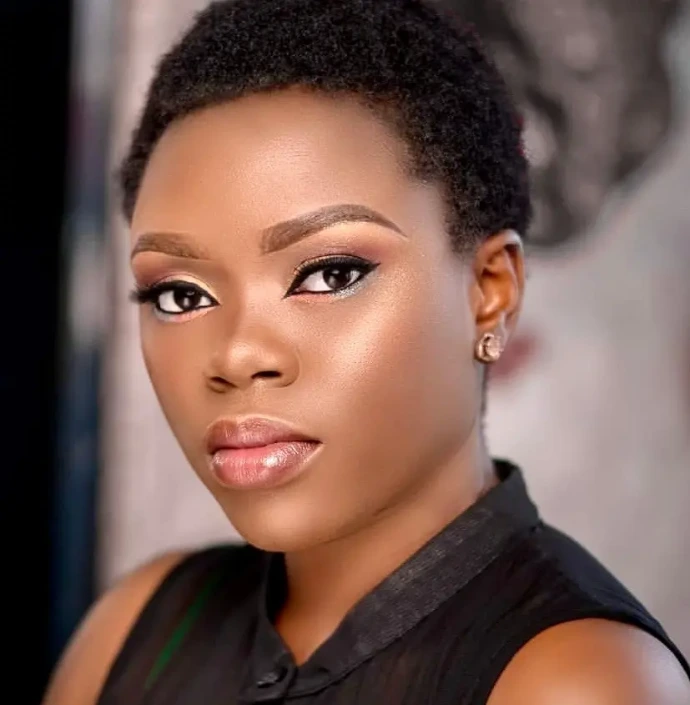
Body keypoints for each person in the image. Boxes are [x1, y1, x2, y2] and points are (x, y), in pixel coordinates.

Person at [43, 1, 690, 703]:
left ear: (489, 293)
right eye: (179, 295)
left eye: (330, 274)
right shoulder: (135, 629)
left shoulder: (576, 680)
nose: (236, 355)